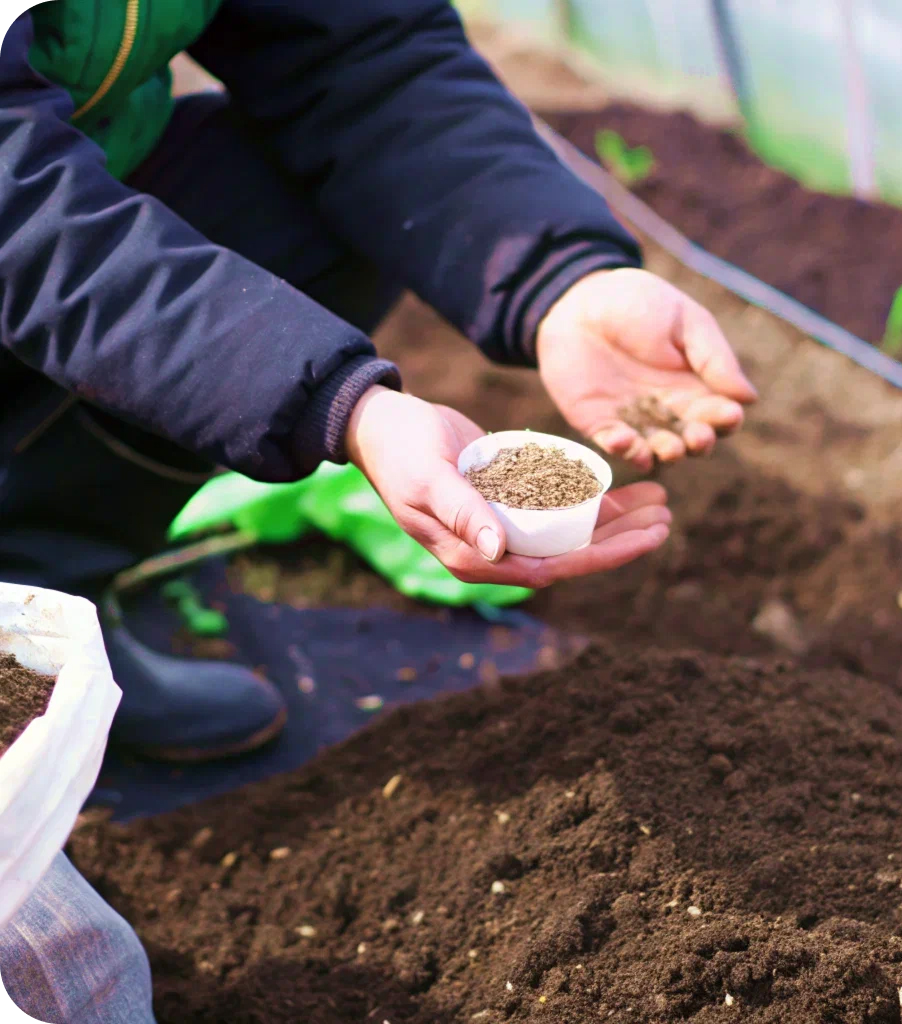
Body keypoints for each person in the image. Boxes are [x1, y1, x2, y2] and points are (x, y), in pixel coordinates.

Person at [0, 2, 756, 1019]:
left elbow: (364, 48)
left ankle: (40, 603)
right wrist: (340, 401)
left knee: (298, 200)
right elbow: (18, 205)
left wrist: (560, 276)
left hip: (59, 206)